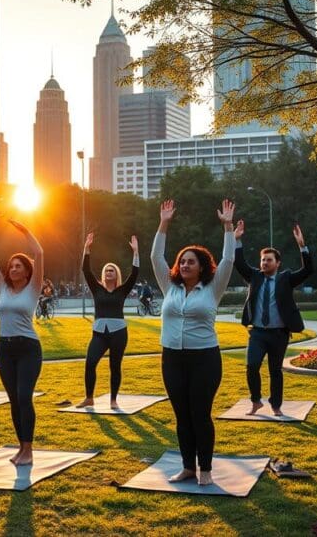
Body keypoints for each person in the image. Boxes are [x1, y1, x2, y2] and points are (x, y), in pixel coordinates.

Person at [151, 199, 235, 486]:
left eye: (191, 261)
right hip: (172, 358)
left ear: (201, 267)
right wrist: (164, 223)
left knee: (200, 414)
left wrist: (227, 226)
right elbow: (155, 258)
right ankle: (188, 467)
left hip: (204, 359)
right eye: (182, 261)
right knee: (181, 415)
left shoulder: (213, 289)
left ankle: (206, 469)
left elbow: (228, 260)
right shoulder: (169, 287)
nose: (185, 264)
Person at [234, 220, 313, 416]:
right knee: (251, 366)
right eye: (262, 260)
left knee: (275, 371)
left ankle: (276, 405)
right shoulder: (254, 276)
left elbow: (308, 270)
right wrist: (237, 240)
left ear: (278, 263)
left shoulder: (286, 278)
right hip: (258, 333)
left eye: (269, 260)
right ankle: (255, 401)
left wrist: (302, 246)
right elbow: (239, 263)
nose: (264, 263)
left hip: (279, 334)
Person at [0, 214, 44, 466]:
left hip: (28, 348)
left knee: (23, 396)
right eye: (11, 265)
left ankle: (28, 449)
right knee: (13, 398)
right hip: (4, 348)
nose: (12, 268)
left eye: (18, 265)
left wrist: (25, 230)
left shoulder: (34, 288)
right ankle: (21, 447)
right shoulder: (2, 288)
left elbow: (39, 253)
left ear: (26, 271)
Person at [77, 231, 139, 410]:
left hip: (119, 332)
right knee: (90, 363)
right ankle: (89, 398)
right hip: (99, 332)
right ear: (103, 275)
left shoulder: (122, 290)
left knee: (115, 366)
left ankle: (113, 400)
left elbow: (135, 273)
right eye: (106, 270)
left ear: (116, 274)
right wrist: (86, 249)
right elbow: (86, 270)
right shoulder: (97, 289)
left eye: (112, 270)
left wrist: (135, 252)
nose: (109, 272)